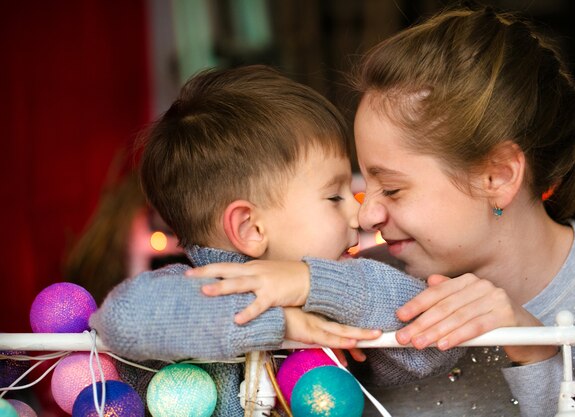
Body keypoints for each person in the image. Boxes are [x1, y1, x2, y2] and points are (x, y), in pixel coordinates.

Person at [186, 7, 575, 417]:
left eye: (392, 188)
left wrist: (535, 350)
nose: (365, 217)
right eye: (364, 185)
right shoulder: (359, 284)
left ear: (497, 176)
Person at [90, 65, 465, 416]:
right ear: (251, 228)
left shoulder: (340, 295)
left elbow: (434, 350)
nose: (358, 214)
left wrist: (314, 283)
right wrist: (279, 322)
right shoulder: (186, 292)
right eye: (335, 197)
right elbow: (121, 319)